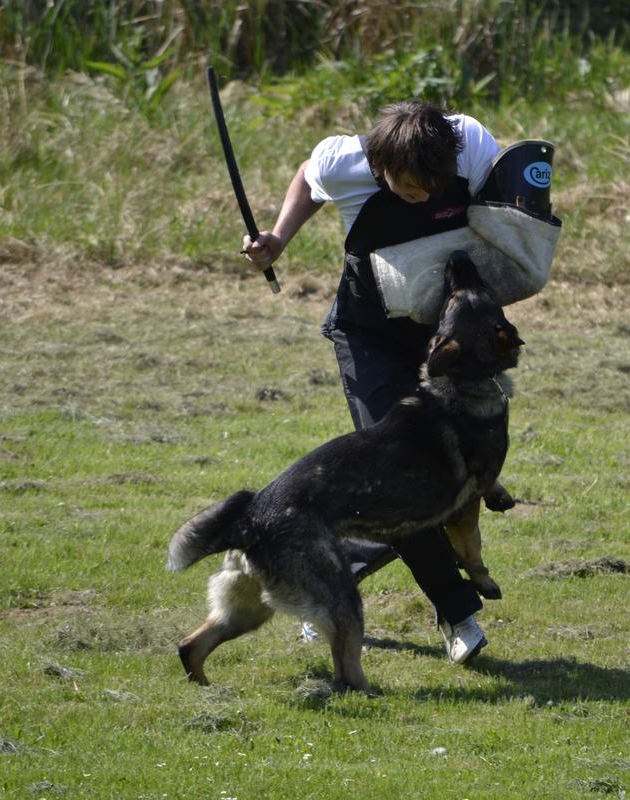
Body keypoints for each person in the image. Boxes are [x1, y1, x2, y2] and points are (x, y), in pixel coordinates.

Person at [241, 100, 504, 665]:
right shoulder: (344, 161)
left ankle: (320, 590)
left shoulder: (471, 143)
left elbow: (509, 200)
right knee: (398, 473)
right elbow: (308, 181)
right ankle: (458, 614)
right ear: (379, 166)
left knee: (442, 479)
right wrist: (279, 238)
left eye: (435, 185)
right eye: (410, 187)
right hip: (370, 335)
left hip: (443, 334)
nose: (425, 197)